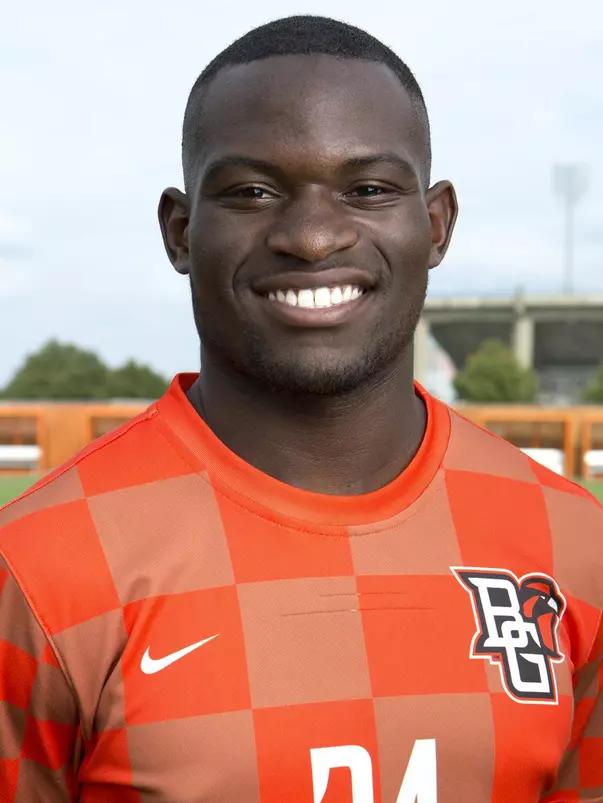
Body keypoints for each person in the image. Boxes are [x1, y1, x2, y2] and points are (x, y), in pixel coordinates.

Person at [0, 15, 601, 803]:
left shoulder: (573, 543)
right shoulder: (39, 566)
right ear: (181, 232)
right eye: (252, 191)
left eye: (368, 189)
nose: (313, 236)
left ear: (435, 223)